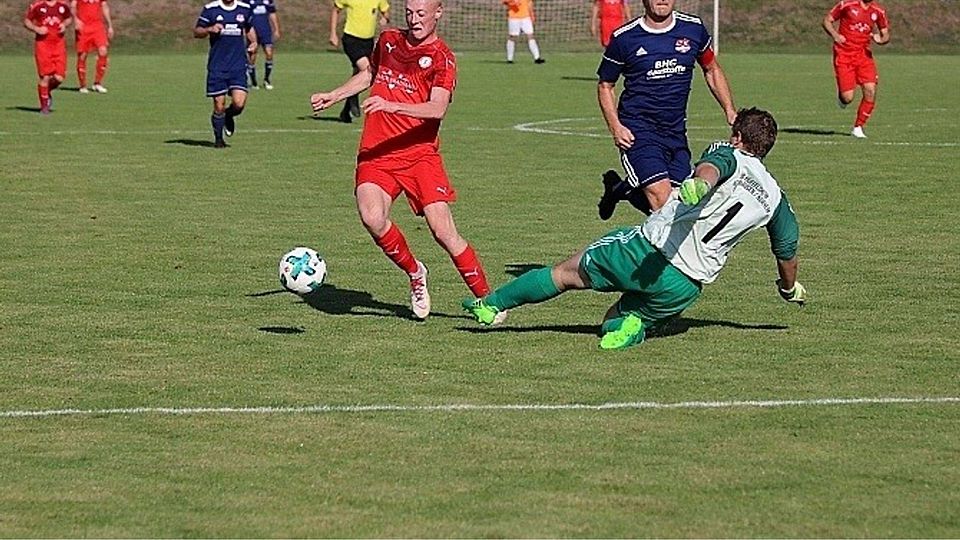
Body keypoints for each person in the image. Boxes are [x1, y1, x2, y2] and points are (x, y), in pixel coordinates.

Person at [464, 108, 806, 350]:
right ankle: (632, 327)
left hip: (647, 254)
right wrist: (789, 289)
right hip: (686, 286)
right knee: (618, 317)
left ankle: (491, 305)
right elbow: (787, 251)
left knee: (565, 274)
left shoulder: (728, 152)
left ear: (738, 136)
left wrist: (701, 184)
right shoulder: (776, 199)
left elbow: (714, 167)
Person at [310, 0, 501, 322]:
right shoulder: (388, 41)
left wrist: (392, 105)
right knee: (372, 217)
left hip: (419, 155)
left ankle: (489, 301)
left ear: (438, 13)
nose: (414, 20)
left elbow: (437, 108)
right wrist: (336, 94)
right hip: (378, 150)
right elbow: (369, 73)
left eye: (421, 14)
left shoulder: (442, 58)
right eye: (410, 13)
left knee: (443, 232)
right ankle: (415, 273)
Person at [595, 0, 736, 221]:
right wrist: (616, 127)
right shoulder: (625, 38)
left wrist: (729, 110)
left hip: (675, 132)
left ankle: (622, 189)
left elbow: (711, 68)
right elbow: (606, 85)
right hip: (637, 130)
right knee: (661, 199)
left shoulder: (693, 29)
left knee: (683, 205)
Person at [194, 0, 257, 148]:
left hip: (238, 65)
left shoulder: (244, 9)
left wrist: (253, 42)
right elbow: (197, 32)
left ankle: (229, 115)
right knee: (218, 105)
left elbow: (249, 30)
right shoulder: (211, 9)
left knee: (239, 104)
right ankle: (218, 139)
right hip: (217, 66)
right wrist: (210, 29)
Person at [822, 0, 889, 139]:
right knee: (847, 98)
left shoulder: (878, 11)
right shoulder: (847, 5)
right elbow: (827, 21)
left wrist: (881, 39)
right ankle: (842, 98)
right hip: (844, 55)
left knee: (870, 90)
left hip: (864, 55)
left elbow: (885, 34)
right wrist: (835, 35)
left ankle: (858, 127)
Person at [328, 0, 390, 123]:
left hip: (368, 42)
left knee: (358, 74)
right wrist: (333, 34)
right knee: (367, 70)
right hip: (351, 39)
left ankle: (346, 111)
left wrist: (385, 18)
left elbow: (386, 13)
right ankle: (354, 99)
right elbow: (336, 10)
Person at [24, 0, 72, 115]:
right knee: (45, 76)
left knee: (59, 78)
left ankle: (46, 91)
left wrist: (64, 25)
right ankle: (44, 107)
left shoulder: (63, 5)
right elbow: (27, 21)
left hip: (59, 45)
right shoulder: (37, 5)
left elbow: (69, 18)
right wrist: (37, 29)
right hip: (43, 45)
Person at [70, 0, 113, 94]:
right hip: (83, 27)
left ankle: (97, 83)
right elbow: (72, 7)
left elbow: (104, 6)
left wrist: (110, 25)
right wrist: (76, 20)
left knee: (103, 51)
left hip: (98, 26)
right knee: (82, 55)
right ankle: (82, 85)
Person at [246, 0, 280, 90]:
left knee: (269, 53)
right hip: (252, 32)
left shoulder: (267, 1)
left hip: (265, 31)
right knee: (252, 56)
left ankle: (266, 80)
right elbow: (243, 15)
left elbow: (272, 13)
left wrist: (276, 29)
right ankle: (253, 82)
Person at [503, 0, 544, 64]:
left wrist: (532, 15)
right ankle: (509, 59)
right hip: (514, 18)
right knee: (512, 37)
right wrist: (513, 4)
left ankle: (537, 58)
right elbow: (505, 2)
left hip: (526, 17)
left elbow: (529, 4)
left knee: (530, 35)